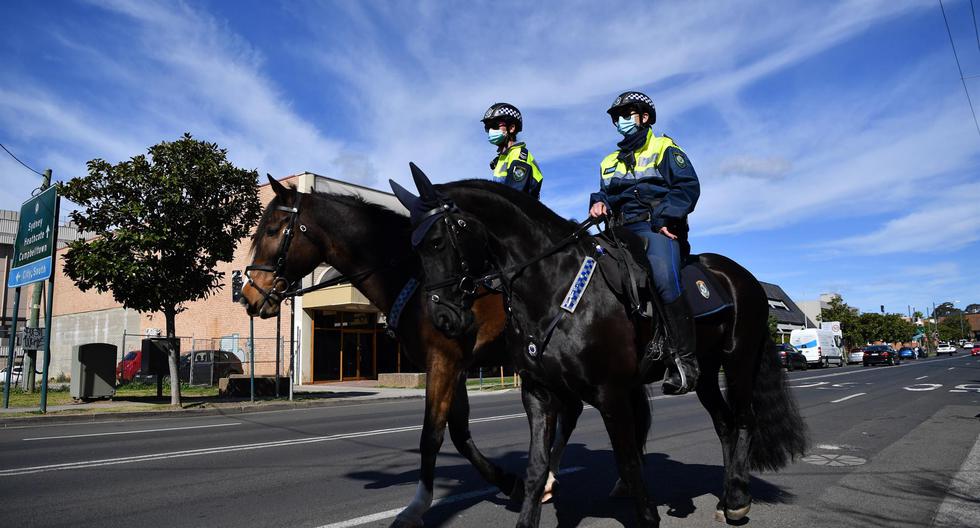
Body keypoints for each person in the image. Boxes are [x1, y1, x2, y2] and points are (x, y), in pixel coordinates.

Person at [588, 91, 700, 395]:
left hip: (655, 226)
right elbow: (606, 194)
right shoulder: (607, 161)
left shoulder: (664, 147)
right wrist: (598, 203)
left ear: (644, 117)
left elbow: (687, 187)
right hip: (618, 230)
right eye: (616, 117)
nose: (620, 121)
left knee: (664, 278)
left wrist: (666, 219)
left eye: (627, 114)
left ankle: (685, 361)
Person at [482, 103, 543, 199]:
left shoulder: (519, 155)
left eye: (494, 125)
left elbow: (513, 197)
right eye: (487, 127)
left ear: (511, 128)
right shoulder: (502, 158)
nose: (490, 131)